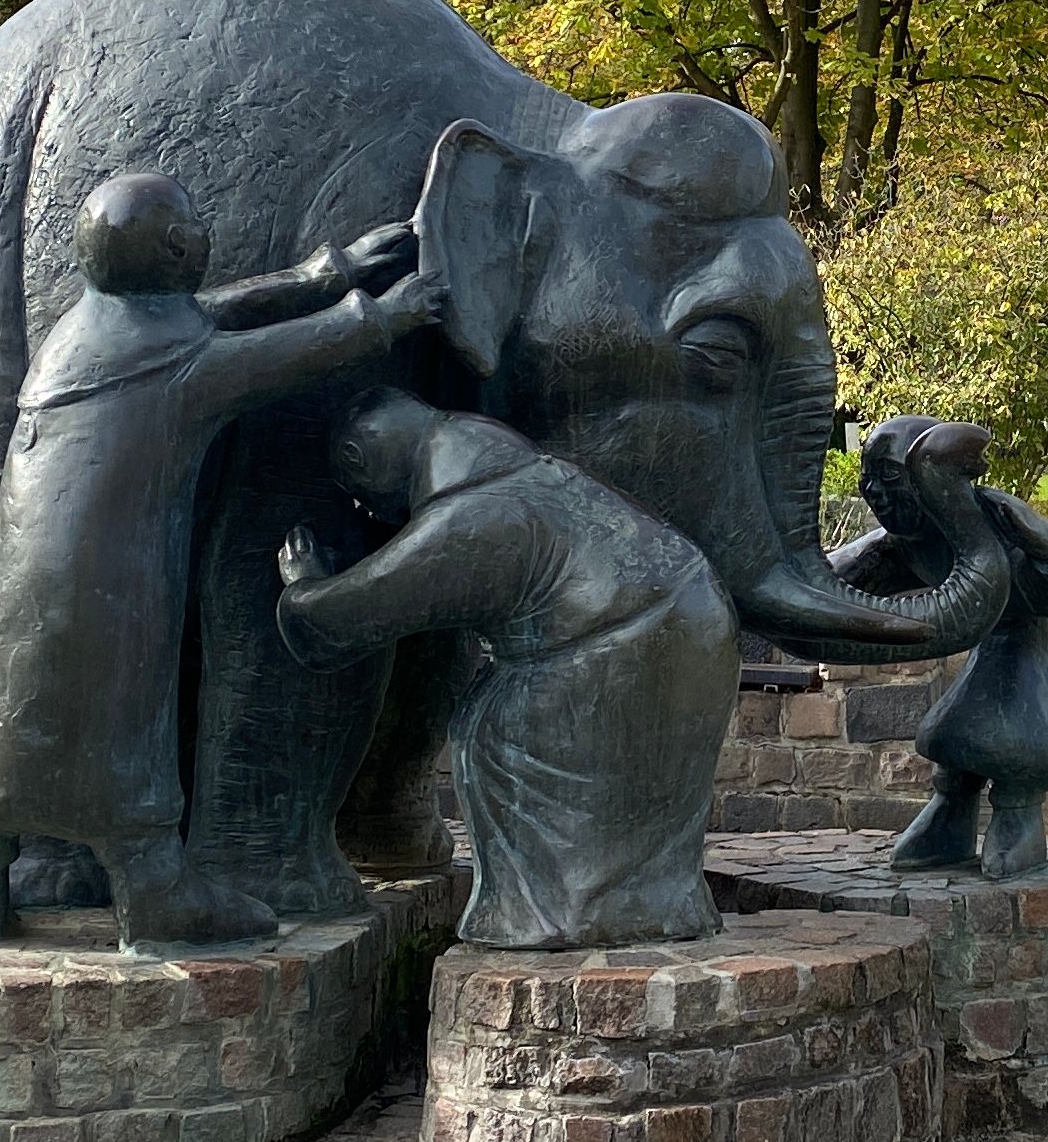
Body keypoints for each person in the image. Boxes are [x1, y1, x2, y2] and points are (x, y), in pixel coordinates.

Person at [0, 172, 432, 950]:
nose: (205, 236)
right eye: (195, 224)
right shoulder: (170, 365)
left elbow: (203, 318)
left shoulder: (89, 332)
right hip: (109, 596)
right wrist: (382, 317)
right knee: (112, 706)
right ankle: (153, 891)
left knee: (7, 704)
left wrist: (323, 275)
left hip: (20, 593)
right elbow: (271, 356)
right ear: (176, 247)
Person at [273, 392, 736, 950]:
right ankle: (646, 904)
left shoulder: (472, 514)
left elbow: (342, 621)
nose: (369, 513)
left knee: (496, 732)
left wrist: (303, 587)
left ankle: (560, 914)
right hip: (692, 617)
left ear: (360, 458)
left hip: (624, 646)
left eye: (360, 495)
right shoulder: (522, 470)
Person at [840, 417, 1048, 884]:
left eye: (890, 478)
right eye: (867, 478)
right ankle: (949, 813)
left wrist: (1041, 539)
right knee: (956, 725)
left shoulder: (989, 516)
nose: (875, 491)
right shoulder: (902, 544)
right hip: (992, 632)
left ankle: (1019, 815)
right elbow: (837, 574)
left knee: (1021, 734)